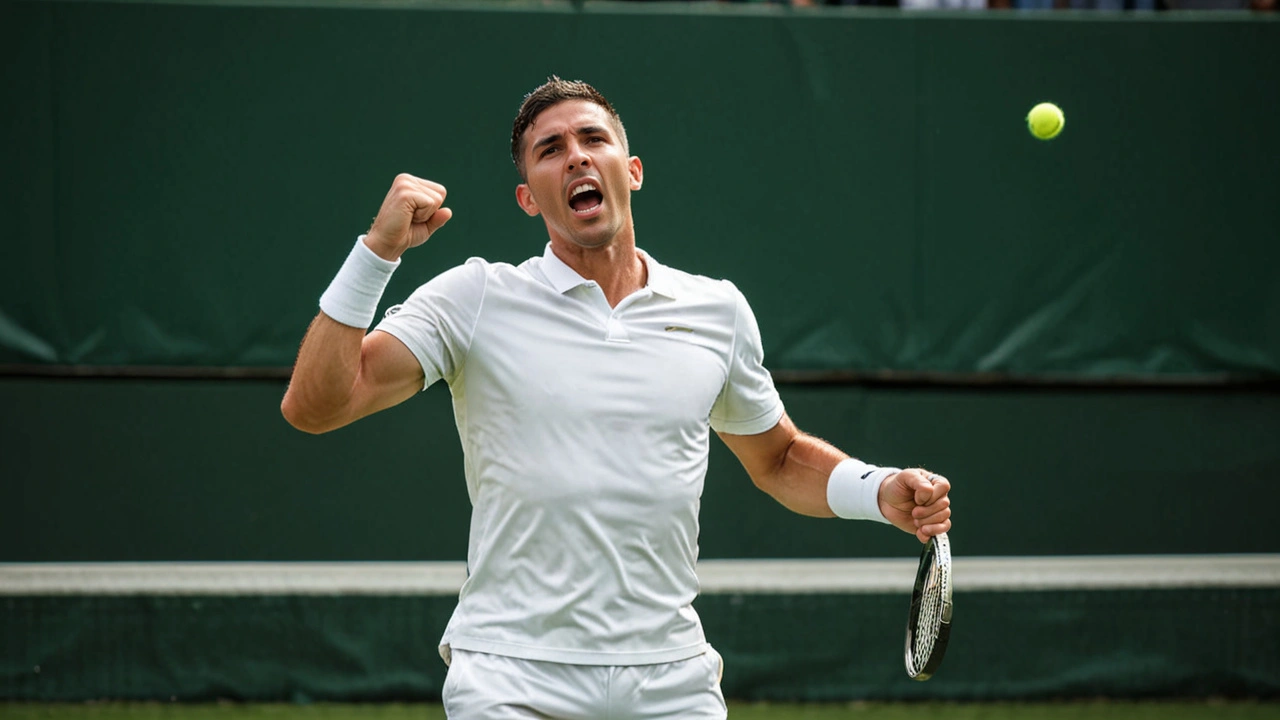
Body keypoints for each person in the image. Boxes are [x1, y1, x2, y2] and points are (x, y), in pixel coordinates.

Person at [281, 76, 952, 720]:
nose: (575, 156)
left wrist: (877, 488)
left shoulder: (716, 310)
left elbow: (777, 460)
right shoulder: (474, 297)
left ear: (630, 170)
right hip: (512, 675)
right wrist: (378, 251)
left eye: (591, 139)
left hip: (671, 678)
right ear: (527, 198)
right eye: (550, 149)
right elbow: (316, 407)